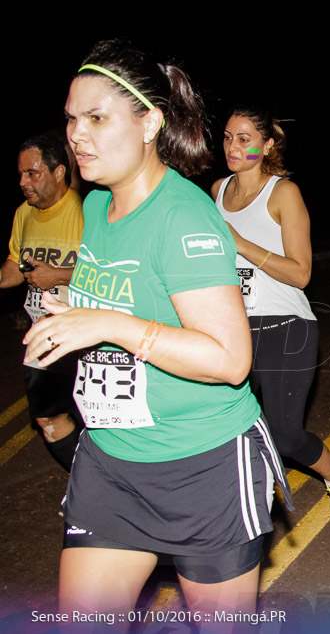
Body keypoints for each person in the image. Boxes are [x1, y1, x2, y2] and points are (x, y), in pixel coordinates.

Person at [24, 39, 292, 621]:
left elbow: (228, 359)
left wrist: (111, 323)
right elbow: (130, 293)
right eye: (72, 118)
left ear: (150, 122)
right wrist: (71, 309)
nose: (77, 134)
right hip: (111, 462)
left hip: (203, 465)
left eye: (97, 118)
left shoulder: (184, 216)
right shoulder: (96, 207)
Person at [213, 105, 330, 523]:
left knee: (285, 436)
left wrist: (240, 243)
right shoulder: (217, 192)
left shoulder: (283, 193)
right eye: (227, 137)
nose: (234, 146)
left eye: (245, 139)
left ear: (267, 145)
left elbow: (301, 272)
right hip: (231, 329)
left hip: (285, 328)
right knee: (224, 429)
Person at [1, 131, 83, 471]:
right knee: (48, 420)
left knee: (99, 420)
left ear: (58, 172)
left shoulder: (85, 211)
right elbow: (16, 266)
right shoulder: (24, 213)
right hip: (43, 335)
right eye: (21, 173)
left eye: (32, 173)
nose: (23, 181)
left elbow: (113, 272)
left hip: (84, 333)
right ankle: (88, 485)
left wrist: (59, 275)